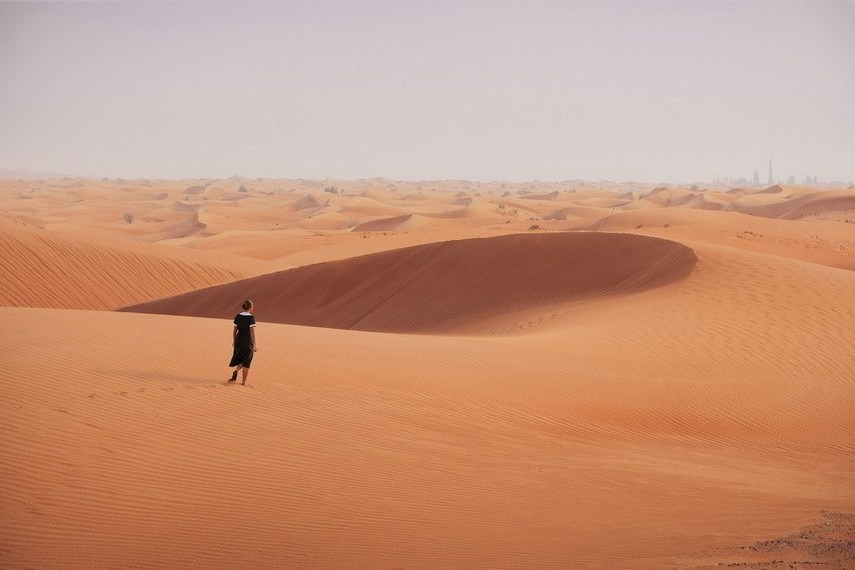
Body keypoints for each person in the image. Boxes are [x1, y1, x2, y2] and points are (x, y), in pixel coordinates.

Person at [228, 300, 257, 385]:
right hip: (248, 341)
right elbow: (251, 331)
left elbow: (234, 330)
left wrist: (234, 341)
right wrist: (254, 344)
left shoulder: (238, 316)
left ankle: (236, 371)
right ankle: (244, 382)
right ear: (250, 307)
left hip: (239, 340)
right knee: (247, 361)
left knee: (241, 357)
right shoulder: (251, 317)